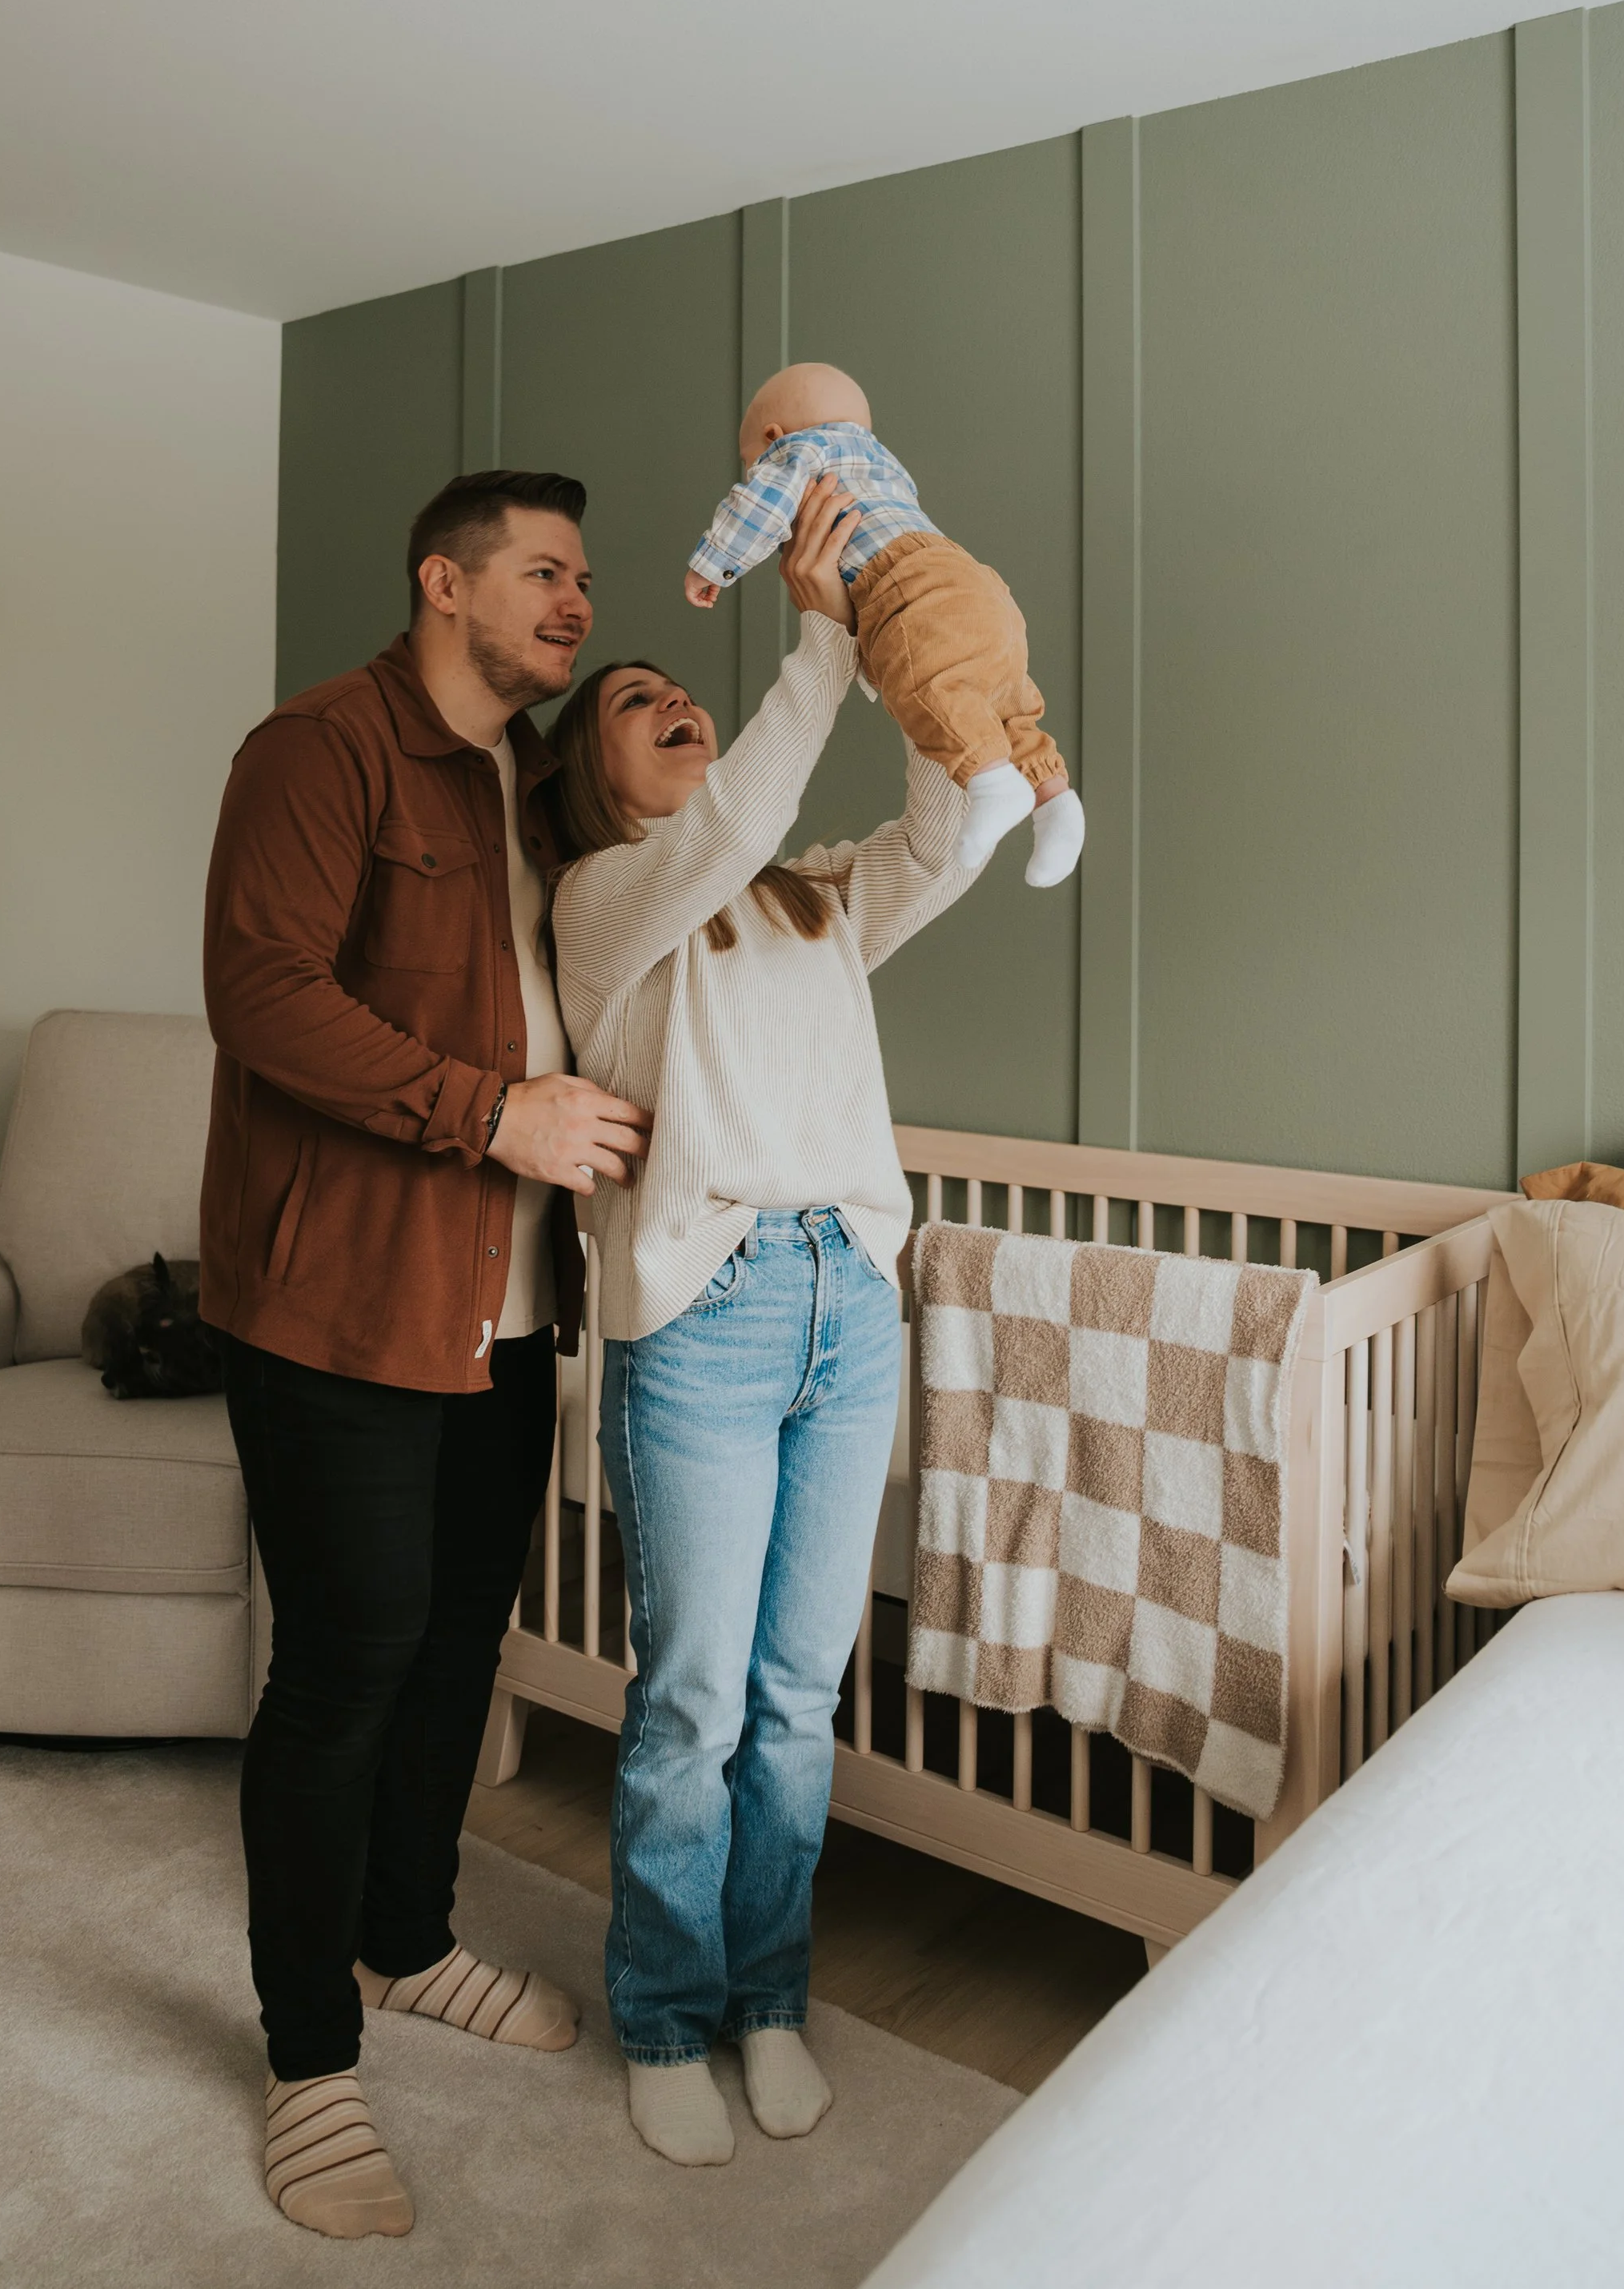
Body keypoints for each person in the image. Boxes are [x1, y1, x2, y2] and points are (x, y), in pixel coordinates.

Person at [200, 469, 652, 2239]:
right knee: (347, 1666)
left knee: (462, 1640)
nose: (573, 598)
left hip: (507, 1306)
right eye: (541, 570)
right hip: (340, 1303)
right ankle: (308, 2058)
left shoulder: (528, 788)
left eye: (582, 575)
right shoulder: (319, 750)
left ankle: (406, 1938)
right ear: (441, 584)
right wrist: (492, 1114)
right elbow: (263, 991)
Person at [549, 476, 994, 2168]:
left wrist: (906, 644)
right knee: (694, 1702)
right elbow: (726, 824)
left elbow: (944, 839)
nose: (674, 701)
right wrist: (811, 644)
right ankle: (667, 2012)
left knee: (801, 1694)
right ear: (592, 777)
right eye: (637, 703)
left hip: (847, 1304)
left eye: (682, 689)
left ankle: (767, 1997)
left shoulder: (810, 897)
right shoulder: (605, 908)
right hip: (710, 1320)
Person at [683, 359, 1085, 889]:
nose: (752, 471)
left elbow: (760, 505)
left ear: (772, 435)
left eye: (748, 460)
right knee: (1005, 703)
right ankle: (1056, 802)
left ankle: (991, 782)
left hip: (909, 583)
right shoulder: (881, 462)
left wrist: (713, 564)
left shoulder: (795, 451)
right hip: (977, 583)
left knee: (925, 686)